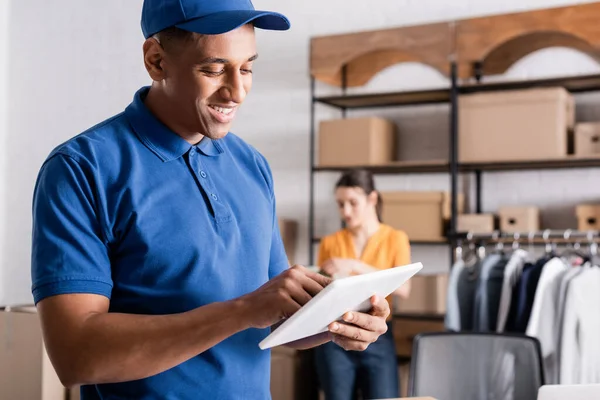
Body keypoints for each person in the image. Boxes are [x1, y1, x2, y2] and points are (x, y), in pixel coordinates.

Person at [29, 1, 393, 399]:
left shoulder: (252, 165)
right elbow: (75, 355)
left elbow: (276, 317)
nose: (237, 91)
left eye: (248, 67)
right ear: (156, 61)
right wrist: (243, 310)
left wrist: (339, 320)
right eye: (214, 69)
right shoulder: (82, 169)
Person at [314, 169, 412, 400]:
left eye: (352, 203)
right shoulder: (330, 242)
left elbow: (404, 288)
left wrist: (352, 265)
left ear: (372, 199)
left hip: (378, 334)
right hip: (333, 334)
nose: (345, 211)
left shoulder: (395, 238)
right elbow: (322, 292)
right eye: (340, 204)